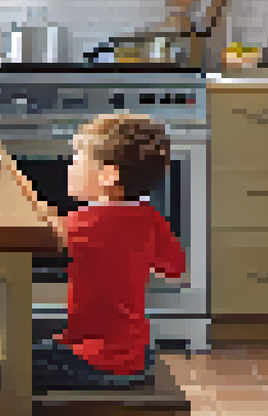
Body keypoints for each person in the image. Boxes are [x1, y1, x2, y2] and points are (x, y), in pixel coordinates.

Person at [18, 113, 186, 394]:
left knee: (8, 369)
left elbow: (40, 237)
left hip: (99, 362)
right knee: (34, 351)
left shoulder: (81, 224)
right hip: (137, 355)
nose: (69, 168)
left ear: (110, 175)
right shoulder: (150, 218)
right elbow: (175, 267)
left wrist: (33, 201)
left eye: (76, 160)